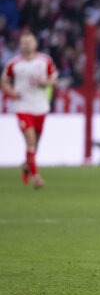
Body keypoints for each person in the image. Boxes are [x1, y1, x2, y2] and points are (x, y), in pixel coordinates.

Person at [1, 31, 58, 189]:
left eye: (29, 42)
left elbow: (54, 79)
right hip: (23, 107)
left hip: (40, 107)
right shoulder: (14, 64)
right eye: (24, 42)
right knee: (30, 140)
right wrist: (12, 92)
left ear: (35, 44)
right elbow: (4, 81)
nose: (27, 45)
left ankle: (27, 165)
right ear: (21, 45)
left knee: (35, 143)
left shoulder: (45, 61)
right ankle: (36, 177)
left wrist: (45, 82)